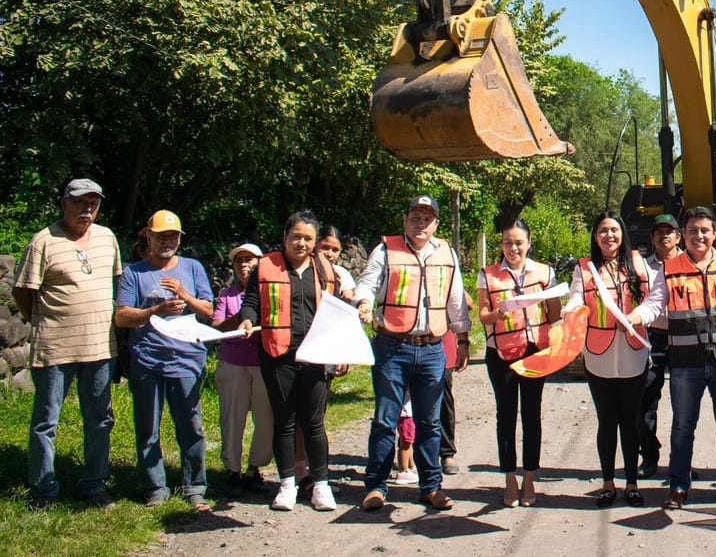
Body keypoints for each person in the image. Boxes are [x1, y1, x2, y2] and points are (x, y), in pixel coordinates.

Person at [633, 206, 716, 510]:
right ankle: (678, 487)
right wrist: (634, 317)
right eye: (693, 231)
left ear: (714, 233)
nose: (699, 236)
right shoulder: (671, 267)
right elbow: (654, 304)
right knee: (682, 426)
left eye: (705, 230)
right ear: (684, 235)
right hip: (686, 363)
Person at [354, 195, 471, 512]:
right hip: (392, 347)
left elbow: (456, 299)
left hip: (432, 347)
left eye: (427, 218)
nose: (421, 224)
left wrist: (462, 338)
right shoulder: (385, 249)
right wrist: (363, 302)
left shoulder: (446, 253)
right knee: (385, 420)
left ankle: (431, 487)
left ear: (435, 223)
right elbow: (366, 283)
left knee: (430, 423)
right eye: (416, 217)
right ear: (405, 220)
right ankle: (376, 487)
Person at [221, 210, 342, 512]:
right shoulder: (266, 266)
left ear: (315, 242)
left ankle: (321, 486)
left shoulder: (324, 269)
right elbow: (251, 303)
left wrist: (340, 351)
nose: (301, 243)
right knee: (285, 422)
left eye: (308, 238)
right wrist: (248, 321)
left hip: (316, 355)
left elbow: (336, 311)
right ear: (285, 237)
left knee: (314, 423)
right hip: (277, 355)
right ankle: (286, 485)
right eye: (296, 237)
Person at [13, 178, 121, 510]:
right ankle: (44, 490)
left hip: (101, 347)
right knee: (47, 421)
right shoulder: (43, 241)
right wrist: (48, 322)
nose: (87, 208)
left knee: (100, 418)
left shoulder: (107, 238)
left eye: (93, 202)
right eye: (80, 201)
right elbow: (22, 290)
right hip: (55, 347)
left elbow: (116, 282)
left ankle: (94, 485)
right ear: (64, 203)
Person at [114, 210, 214, 510]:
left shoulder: (193, 268)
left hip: (187, 360)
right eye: (161, 236)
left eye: (173, 236)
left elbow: (209, 312)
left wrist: (185, 294)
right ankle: (155, 488)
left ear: (180, 239)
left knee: (191, 427)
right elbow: (121, 316)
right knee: (148, 428)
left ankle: (195, 487)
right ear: (149, 236)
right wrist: (153, 312)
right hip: (147, 361)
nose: (167, 241)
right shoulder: (135, 273)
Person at [565, 212, 651, 507]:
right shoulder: (584, 269)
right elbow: (576, 299)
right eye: (603, 231)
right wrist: (569, 314)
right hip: (598, 354)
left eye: (614, 230)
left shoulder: (639, 264)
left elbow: (654, 299)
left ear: (623, 234)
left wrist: (641, 316)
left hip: (633, 352)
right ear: (595, 235)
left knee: (630, 420)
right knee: (606, 420)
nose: (609, 236)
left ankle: (631, 482)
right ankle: (607, 482)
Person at [478, 217, 559, 508]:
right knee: (506, 415)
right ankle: (509, 478)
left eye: (519, 243)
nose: (513, 248)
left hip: (534, 351)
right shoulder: (488, 275)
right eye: (508, 243)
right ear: (501, 244)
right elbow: (483, 314)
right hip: (500, 353)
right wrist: (496, 314)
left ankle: (529, 477)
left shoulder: (544, 272)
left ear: (529, 244)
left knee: (532, 414)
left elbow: (554, 312)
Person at [212, 243, 275, 495]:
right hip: (233, 362)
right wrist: (239, 318)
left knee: (265, 418)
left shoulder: (270, 292)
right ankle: (232, 469)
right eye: (239, 261)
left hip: (263, 363)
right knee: (232, 417)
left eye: (250, 260)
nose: (244, 265)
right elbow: (216, 327)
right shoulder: (227, 295)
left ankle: (255, 468)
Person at [636, 214, 679, 477]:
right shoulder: (641, 267)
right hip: (652, 337)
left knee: (684, 405)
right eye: (659, 232)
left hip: (684, 337)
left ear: (678, 236)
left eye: (669, 232)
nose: (664, 236)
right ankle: (649, 456)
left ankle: (681, 459)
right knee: (646, 401)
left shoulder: (688, 264)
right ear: (652, 238)